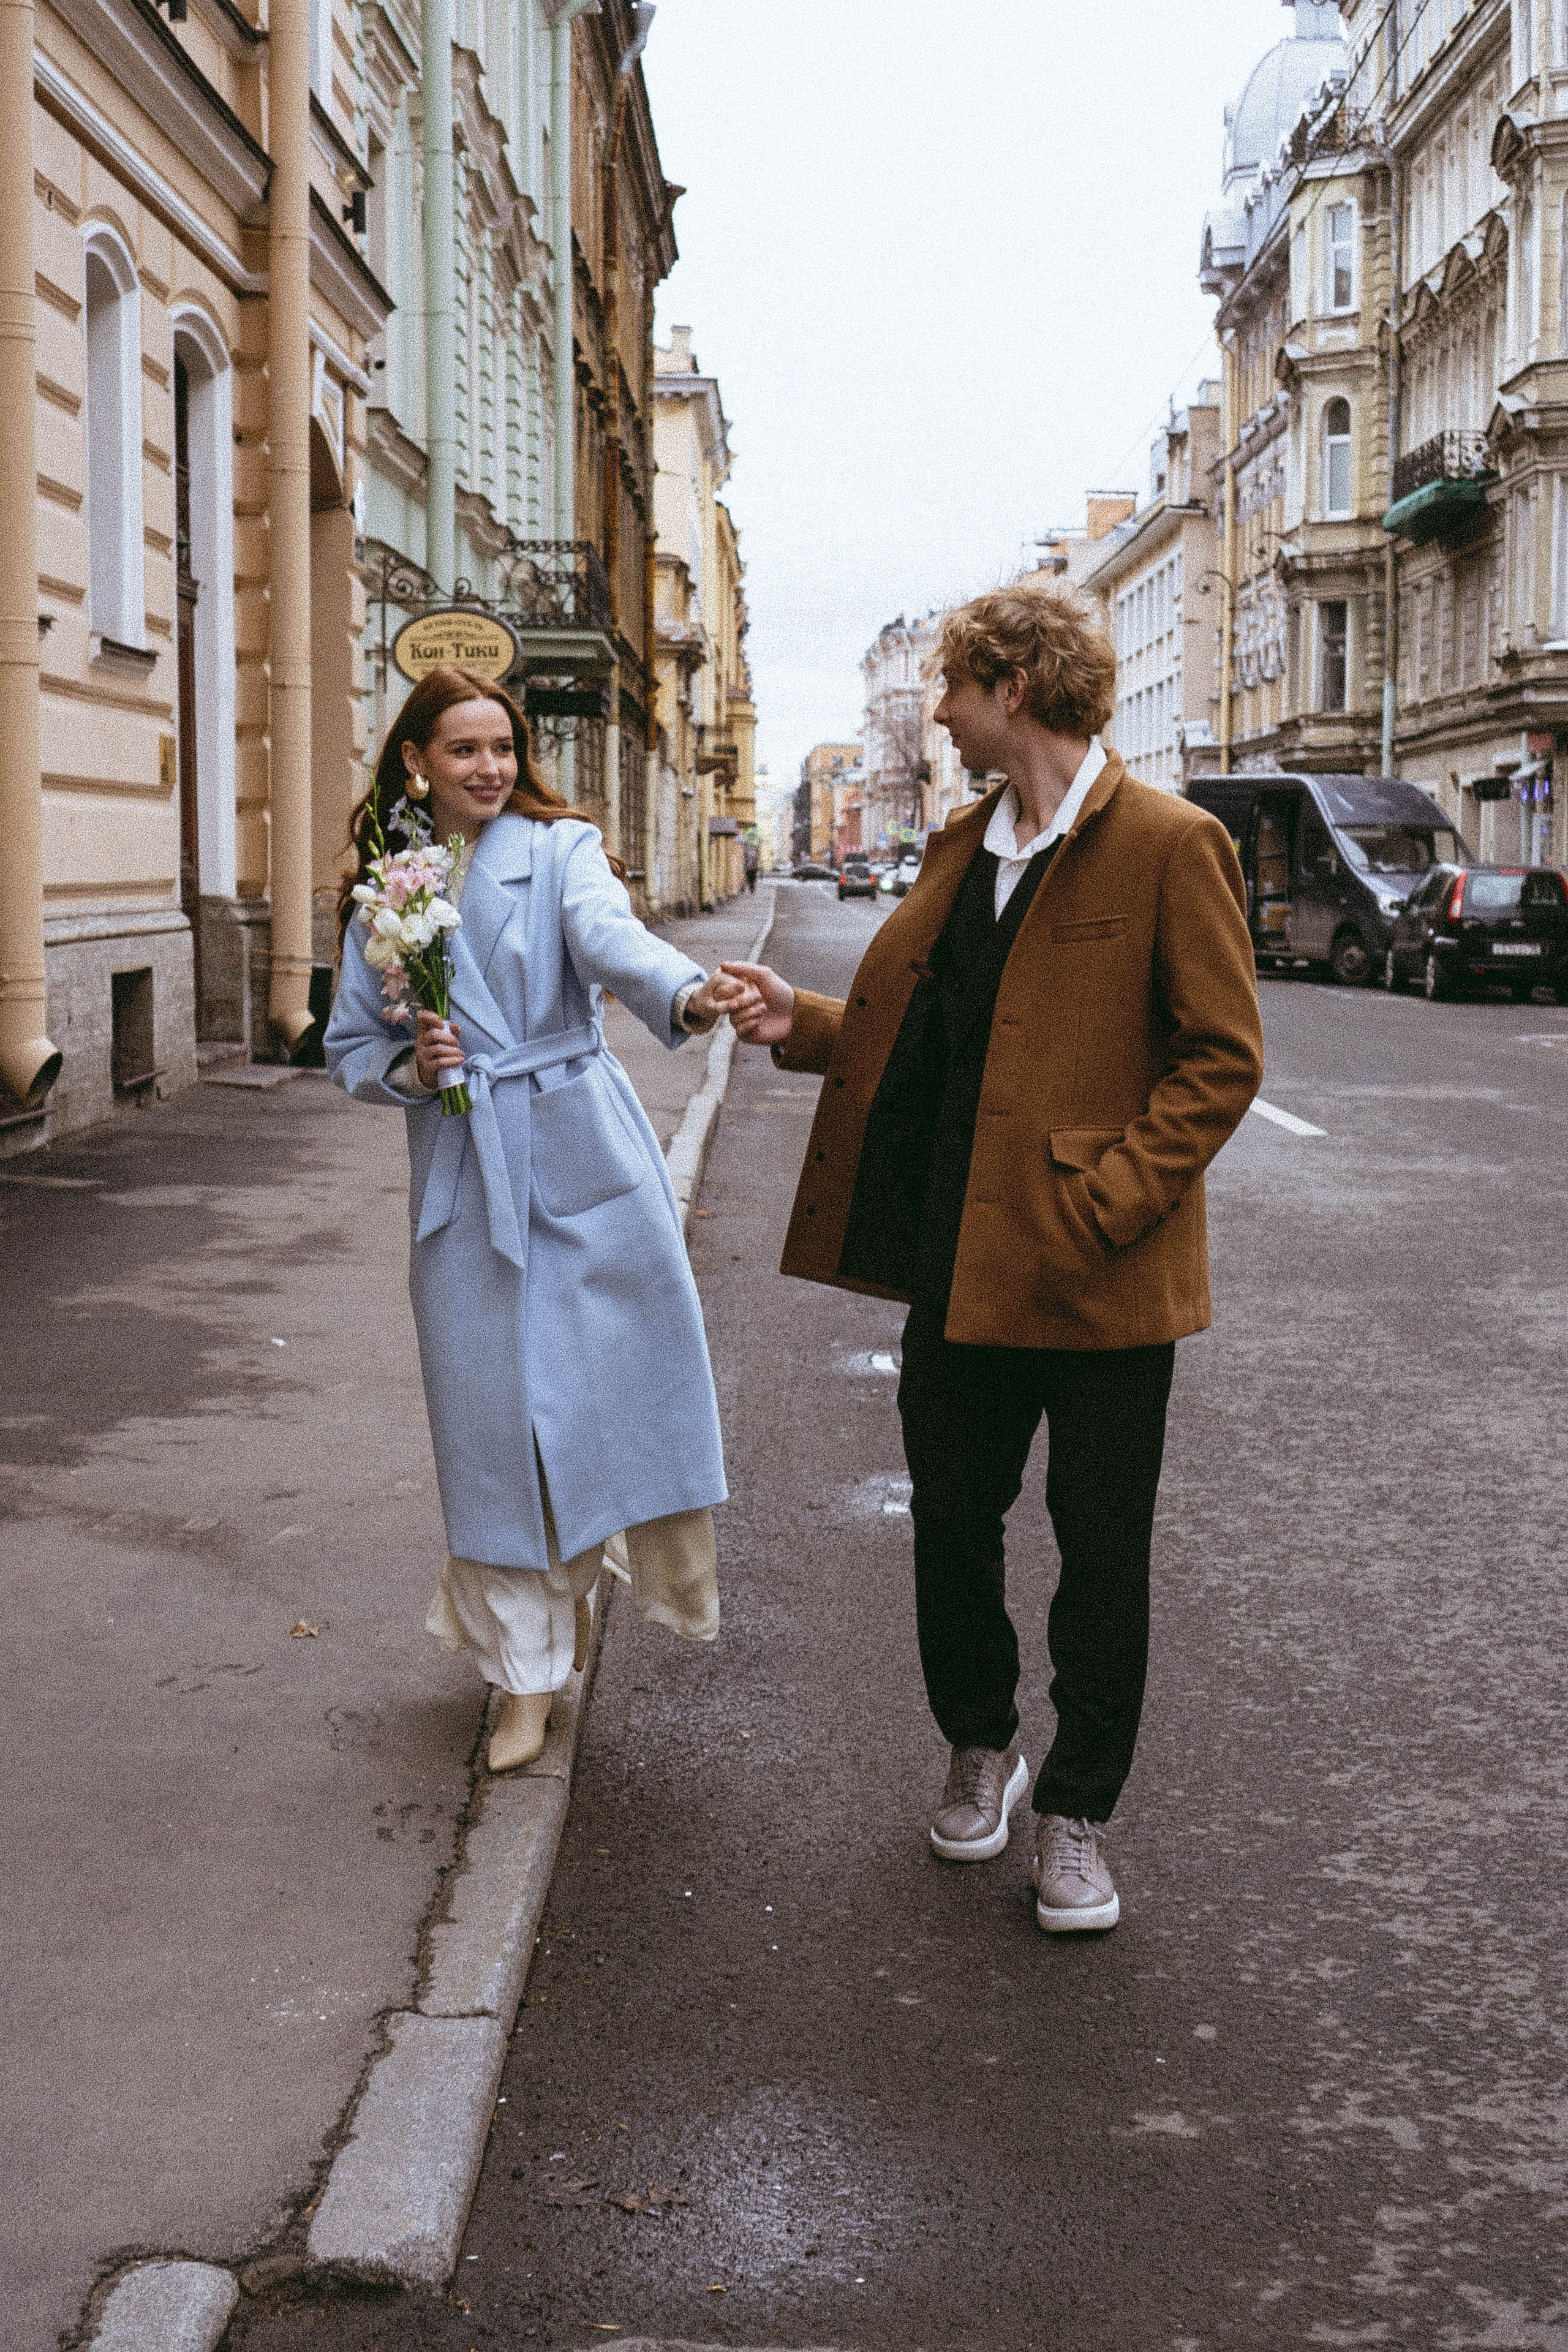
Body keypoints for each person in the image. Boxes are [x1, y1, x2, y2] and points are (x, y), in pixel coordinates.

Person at [724, 582, 1264, 1932]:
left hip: (1100, 1276)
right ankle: (982, 1745)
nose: (940, 714)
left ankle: (1078, 1812)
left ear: (1007, 688)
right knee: (951, 1529)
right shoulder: (962, 846)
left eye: (950, 691)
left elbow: (1220, 1056)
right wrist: (801, 1019)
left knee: (1099, 1552)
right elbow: (928, 1044)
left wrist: (1109, 1200)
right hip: (956, 1262)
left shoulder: (1164, 840)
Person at [325, 665, 744, 1772]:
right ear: (416, 760)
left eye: (502, 748)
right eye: (463, 750)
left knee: (599, 1405)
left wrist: (689, 993)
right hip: (466, 1174)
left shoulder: (559, 851)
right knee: (492, 1430)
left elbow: (611, 943)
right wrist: (413, 1070)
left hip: (581, 1153)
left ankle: (571, 1602)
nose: (489, 769)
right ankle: (523, 1676)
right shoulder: (389, 885)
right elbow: (348, 1049)